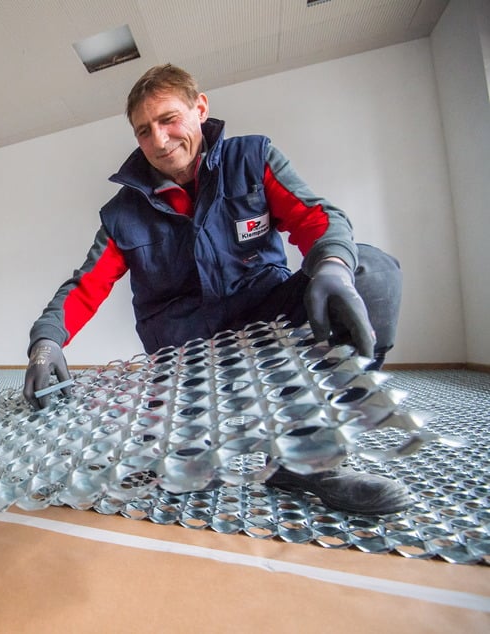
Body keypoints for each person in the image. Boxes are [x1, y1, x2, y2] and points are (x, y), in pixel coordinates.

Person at [23, 64, 412, 516]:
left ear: (200, 108)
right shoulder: (122, 213)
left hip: (269, 330)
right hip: (184, 356)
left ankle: (308, 458)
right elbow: (85, 285)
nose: (160, 140)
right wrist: (45, 341)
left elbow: (317, 218)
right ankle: (183, 444)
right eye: (144, 131)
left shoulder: (252, 160)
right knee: (183, 479)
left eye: (169, 119)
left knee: (372, 272)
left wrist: (332, 266)